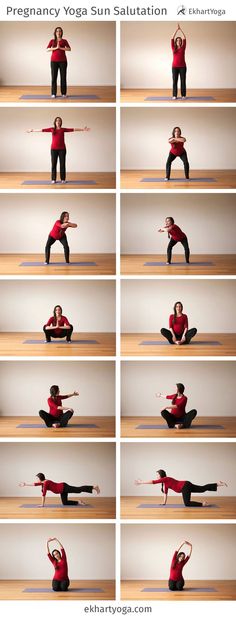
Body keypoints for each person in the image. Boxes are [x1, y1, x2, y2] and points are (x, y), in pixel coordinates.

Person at [27, 117, 90, 183]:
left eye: (59, 121)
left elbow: (73, 129)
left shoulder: (63, 129)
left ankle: (63, 179)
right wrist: (32, 130)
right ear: (55, 122)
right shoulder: (52, 129)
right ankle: (53, 179)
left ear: (61, 122)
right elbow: (42, 130)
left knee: (62, 164)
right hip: (53, 149)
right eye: (57, 121)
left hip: (62, 149)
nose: (58, 122)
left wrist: (83, 129)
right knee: (53, 164)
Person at [135, 469, 228, 507]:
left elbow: (153, 482)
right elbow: (165, 494)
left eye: (157, 475)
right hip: (186, 484)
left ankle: (203, 504)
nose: (156, 477)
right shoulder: (165, 484)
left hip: (184, 486)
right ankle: (218, 484)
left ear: (161, 475)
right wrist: (164, 503)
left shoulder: (166, 479)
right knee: (202, 489)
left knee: (187, 503)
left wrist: (141, 482)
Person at [19, 473, 101, 507]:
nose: (36, 480)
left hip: (64, 487)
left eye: (37, 478)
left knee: (78, 489)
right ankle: (78, 502)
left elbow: (43, 494)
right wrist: (25, 484)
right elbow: (35, 484)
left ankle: (94, 487)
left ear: (40, 478)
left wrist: (42, 504)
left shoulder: (46, 483)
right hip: (62, 490)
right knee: (65, 503)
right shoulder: (43, 483)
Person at [47, 27, 71, 98]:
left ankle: (63, 93)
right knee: (54, 77)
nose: (58, 32)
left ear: (61, 32)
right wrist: (55, 48)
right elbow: (47, 49)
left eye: (60, 31)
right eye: (57, 31)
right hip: (53, 61)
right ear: (55, 32)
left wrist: (60, 48)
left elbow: (69, 49)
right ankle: (53, 93)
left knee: (63, 77)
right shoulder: (52, 41)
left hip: (63, 61)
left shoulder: (64, 41)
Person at [171, 24, 187, 99]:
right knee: (175, 81)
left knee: (183, 81)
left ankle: (183, 95)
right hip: (174, 67)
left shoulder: (183, 47)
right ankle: (174, 95)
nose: (178, 41)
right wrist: (176, 30)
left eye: (179, 40)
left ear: (181, 42)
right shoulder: (173, 48)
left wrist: (180, 30)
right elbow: (172, 38)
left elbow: (185, 38)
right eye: (177, 40)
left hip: (183, 67)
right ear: (176, 42)